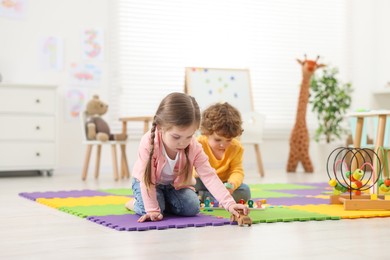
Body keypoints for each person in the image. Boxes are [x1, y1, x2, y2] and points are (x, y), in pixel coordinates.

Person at [125, 92, 249, 222]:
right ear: (161, 127)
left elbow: (209, 175)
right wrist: (151, 210)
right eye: (176, 137)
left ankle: (162, 202)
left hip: (174, 186)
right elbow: (147, 180)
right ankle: (134, 203)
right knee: (152, 211)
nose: (183, 143)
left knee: (192, 207)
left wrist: (229, 204)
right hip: (147, 183)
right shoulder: (149, 143)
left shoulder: (194, 146)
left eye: (189, 136)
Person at [194, 102, 251, 203]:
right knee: (189, 184)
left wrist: (232, 185)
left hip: (223, 183)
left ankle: (202, 197)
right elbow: (189, 169)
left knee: (245, 192)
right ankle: (214, 198)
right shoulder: (197, 144)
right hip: (202, 181)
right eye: (217, 140)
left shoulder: (236, 148)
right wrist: (200, 173)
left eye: (228, 140)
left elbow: (237, 171)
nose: (222, 145)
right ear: (207, 133)